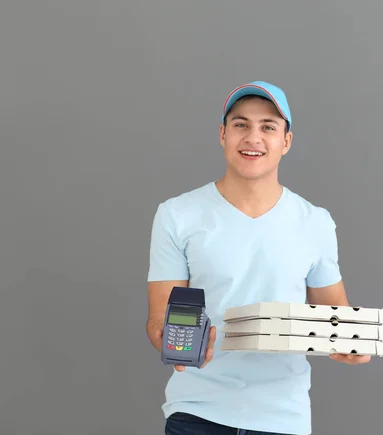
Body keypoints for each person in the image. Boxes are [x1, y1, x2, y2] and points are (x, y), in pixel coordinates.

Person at [146, 81, 371, 435]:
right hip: (196, 412)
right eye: (241, 125)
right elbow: (160, 314)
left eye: (268, 127)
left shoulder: (315, 222)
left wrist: (351, 344)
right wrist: (172, 341)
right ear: (223, 134)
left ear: (286, 142)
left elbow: (336, 315)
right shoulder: (177, 214)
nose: (253, 137)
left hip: (283, 417)